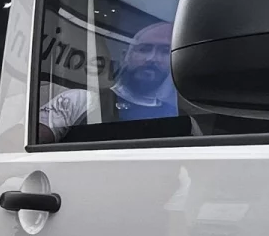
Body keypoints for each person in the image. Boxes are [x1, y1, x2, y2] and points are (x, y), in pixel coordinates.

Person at [36, 19, 180, 143]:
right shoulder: (79, 101)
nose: (151, 58)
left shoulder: (182, 118)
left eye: (164, 51)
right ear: (125, 57)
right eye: (144, 49)